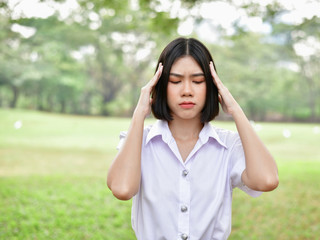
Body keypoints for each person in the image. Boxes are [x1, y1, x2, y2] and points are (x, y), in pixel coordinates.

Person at [107, 37, 278, 240]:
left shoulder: (227, 146)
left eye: (198, 81)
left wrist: (235, 109)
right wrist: (139, 113)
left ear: (212, 86)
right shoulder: (139, 142)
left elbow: (267, 180)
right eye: (175, 81)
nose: (187, 91)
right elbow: (123, 189)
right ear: (161, 86)